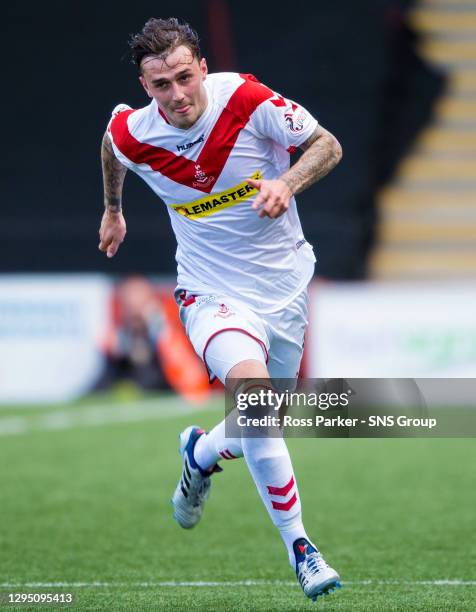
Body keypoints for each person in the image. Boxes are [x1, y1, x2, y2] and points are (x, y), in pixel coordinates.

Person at [99, 17, 343, 602]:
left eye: (185, 77)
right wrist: (113, 208)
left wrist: (286, 182)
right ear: (145, 85)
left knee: (262, 421)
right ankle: (301, 548)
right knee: (256, 400)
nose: (178, 95)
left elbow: (327, 145)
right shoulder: (136, 133)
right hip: (210, 291)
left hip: (283, 290)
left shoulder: (246, 99)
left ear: (202, 67)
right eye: (162, 85)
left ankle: (201, 452)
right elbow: (111, 144)